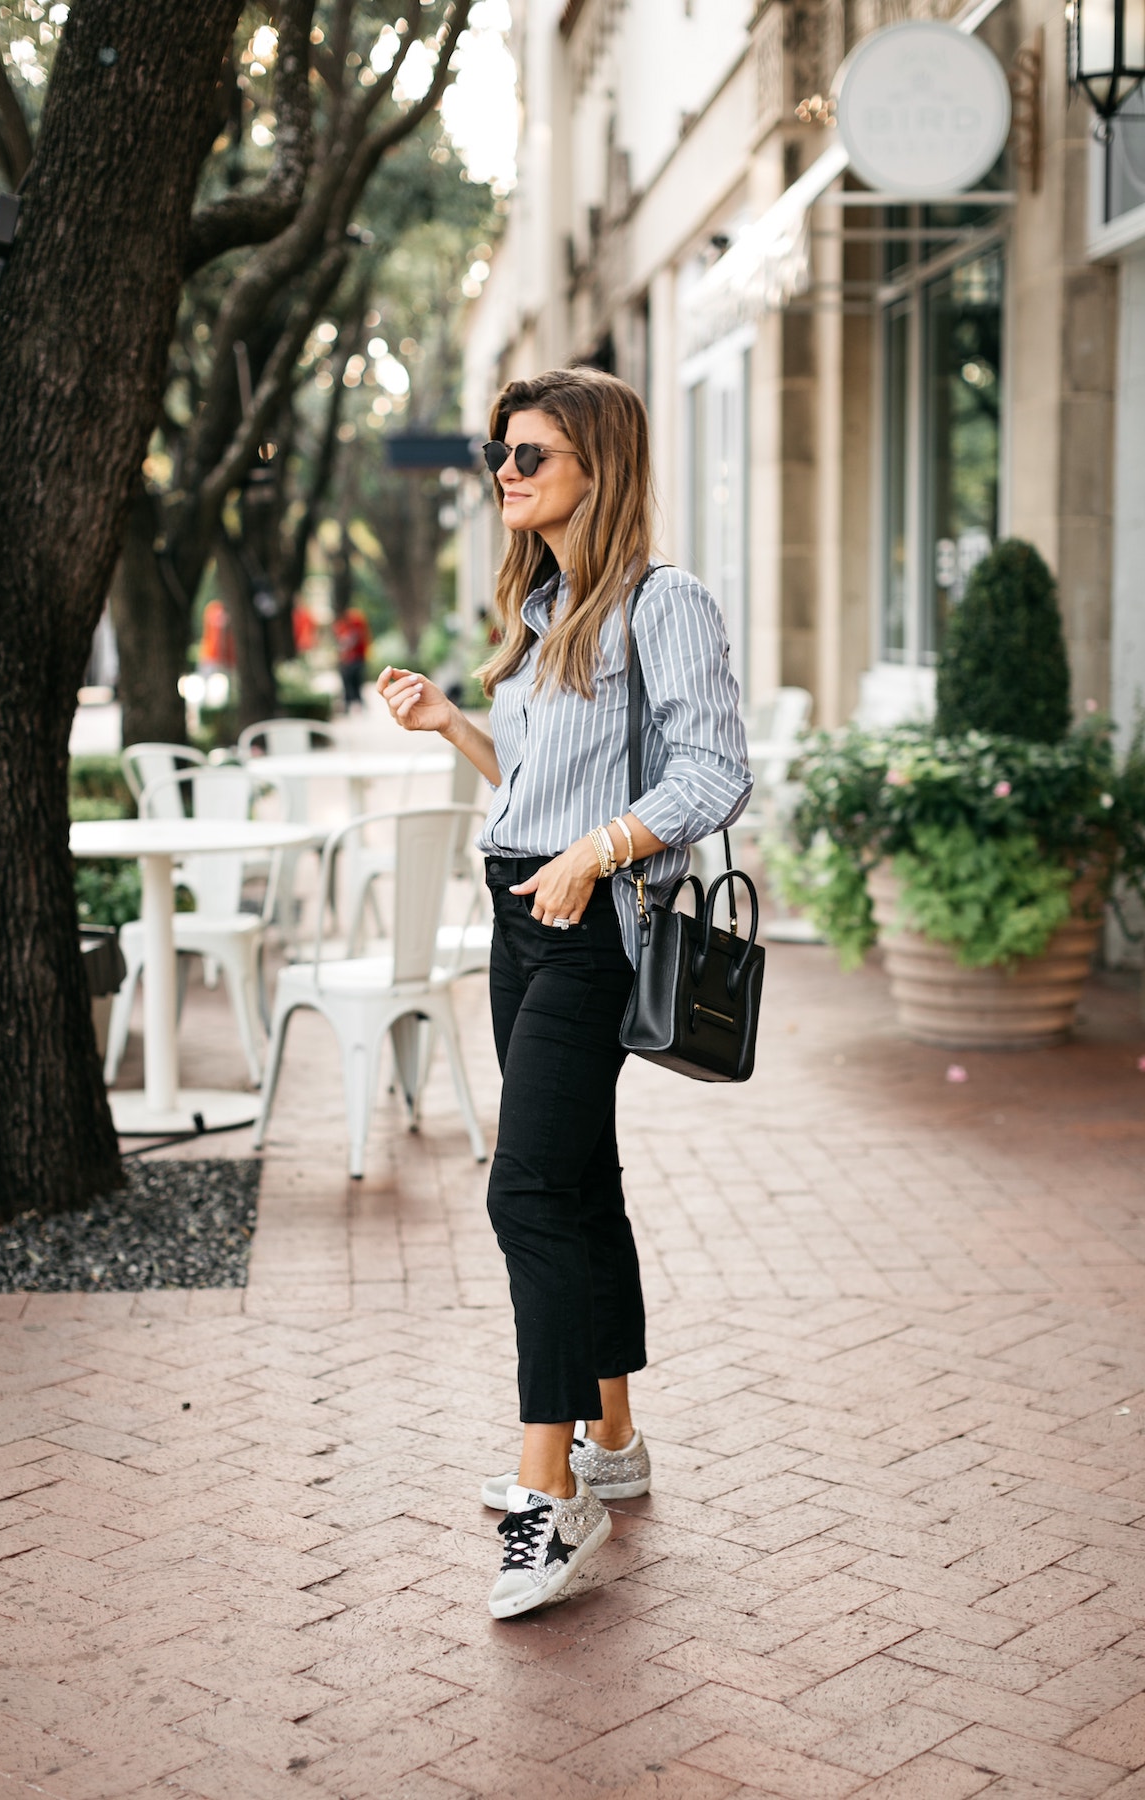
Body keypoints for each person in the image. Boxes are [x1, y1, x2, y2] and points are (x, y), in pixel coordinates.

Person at [376, 367, 751, 1620]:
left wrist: (596, 855)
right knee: (578, 1181)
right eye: (503, 452)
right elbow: (536, 785)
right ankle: (615, 1447)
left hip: (592, 925)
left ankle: (554, 1499)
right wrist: (451, 726)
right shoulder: (547, 605)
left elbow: (715, 774)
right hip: (520, 916)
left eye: (532, 453)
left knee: (525, 1191)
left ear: (599, 460)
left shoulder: (666, 601)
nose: (508, 472)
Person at [333, 603, 370, 711]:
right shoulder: (340, 624)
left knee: (356, 681)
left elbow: (357, 636)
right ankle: (350, 703)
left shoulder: (355, 619)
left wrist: (346, 644)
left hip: (357, 657)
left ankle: (358, 702)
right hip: (347, 659)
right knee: (347, 681)